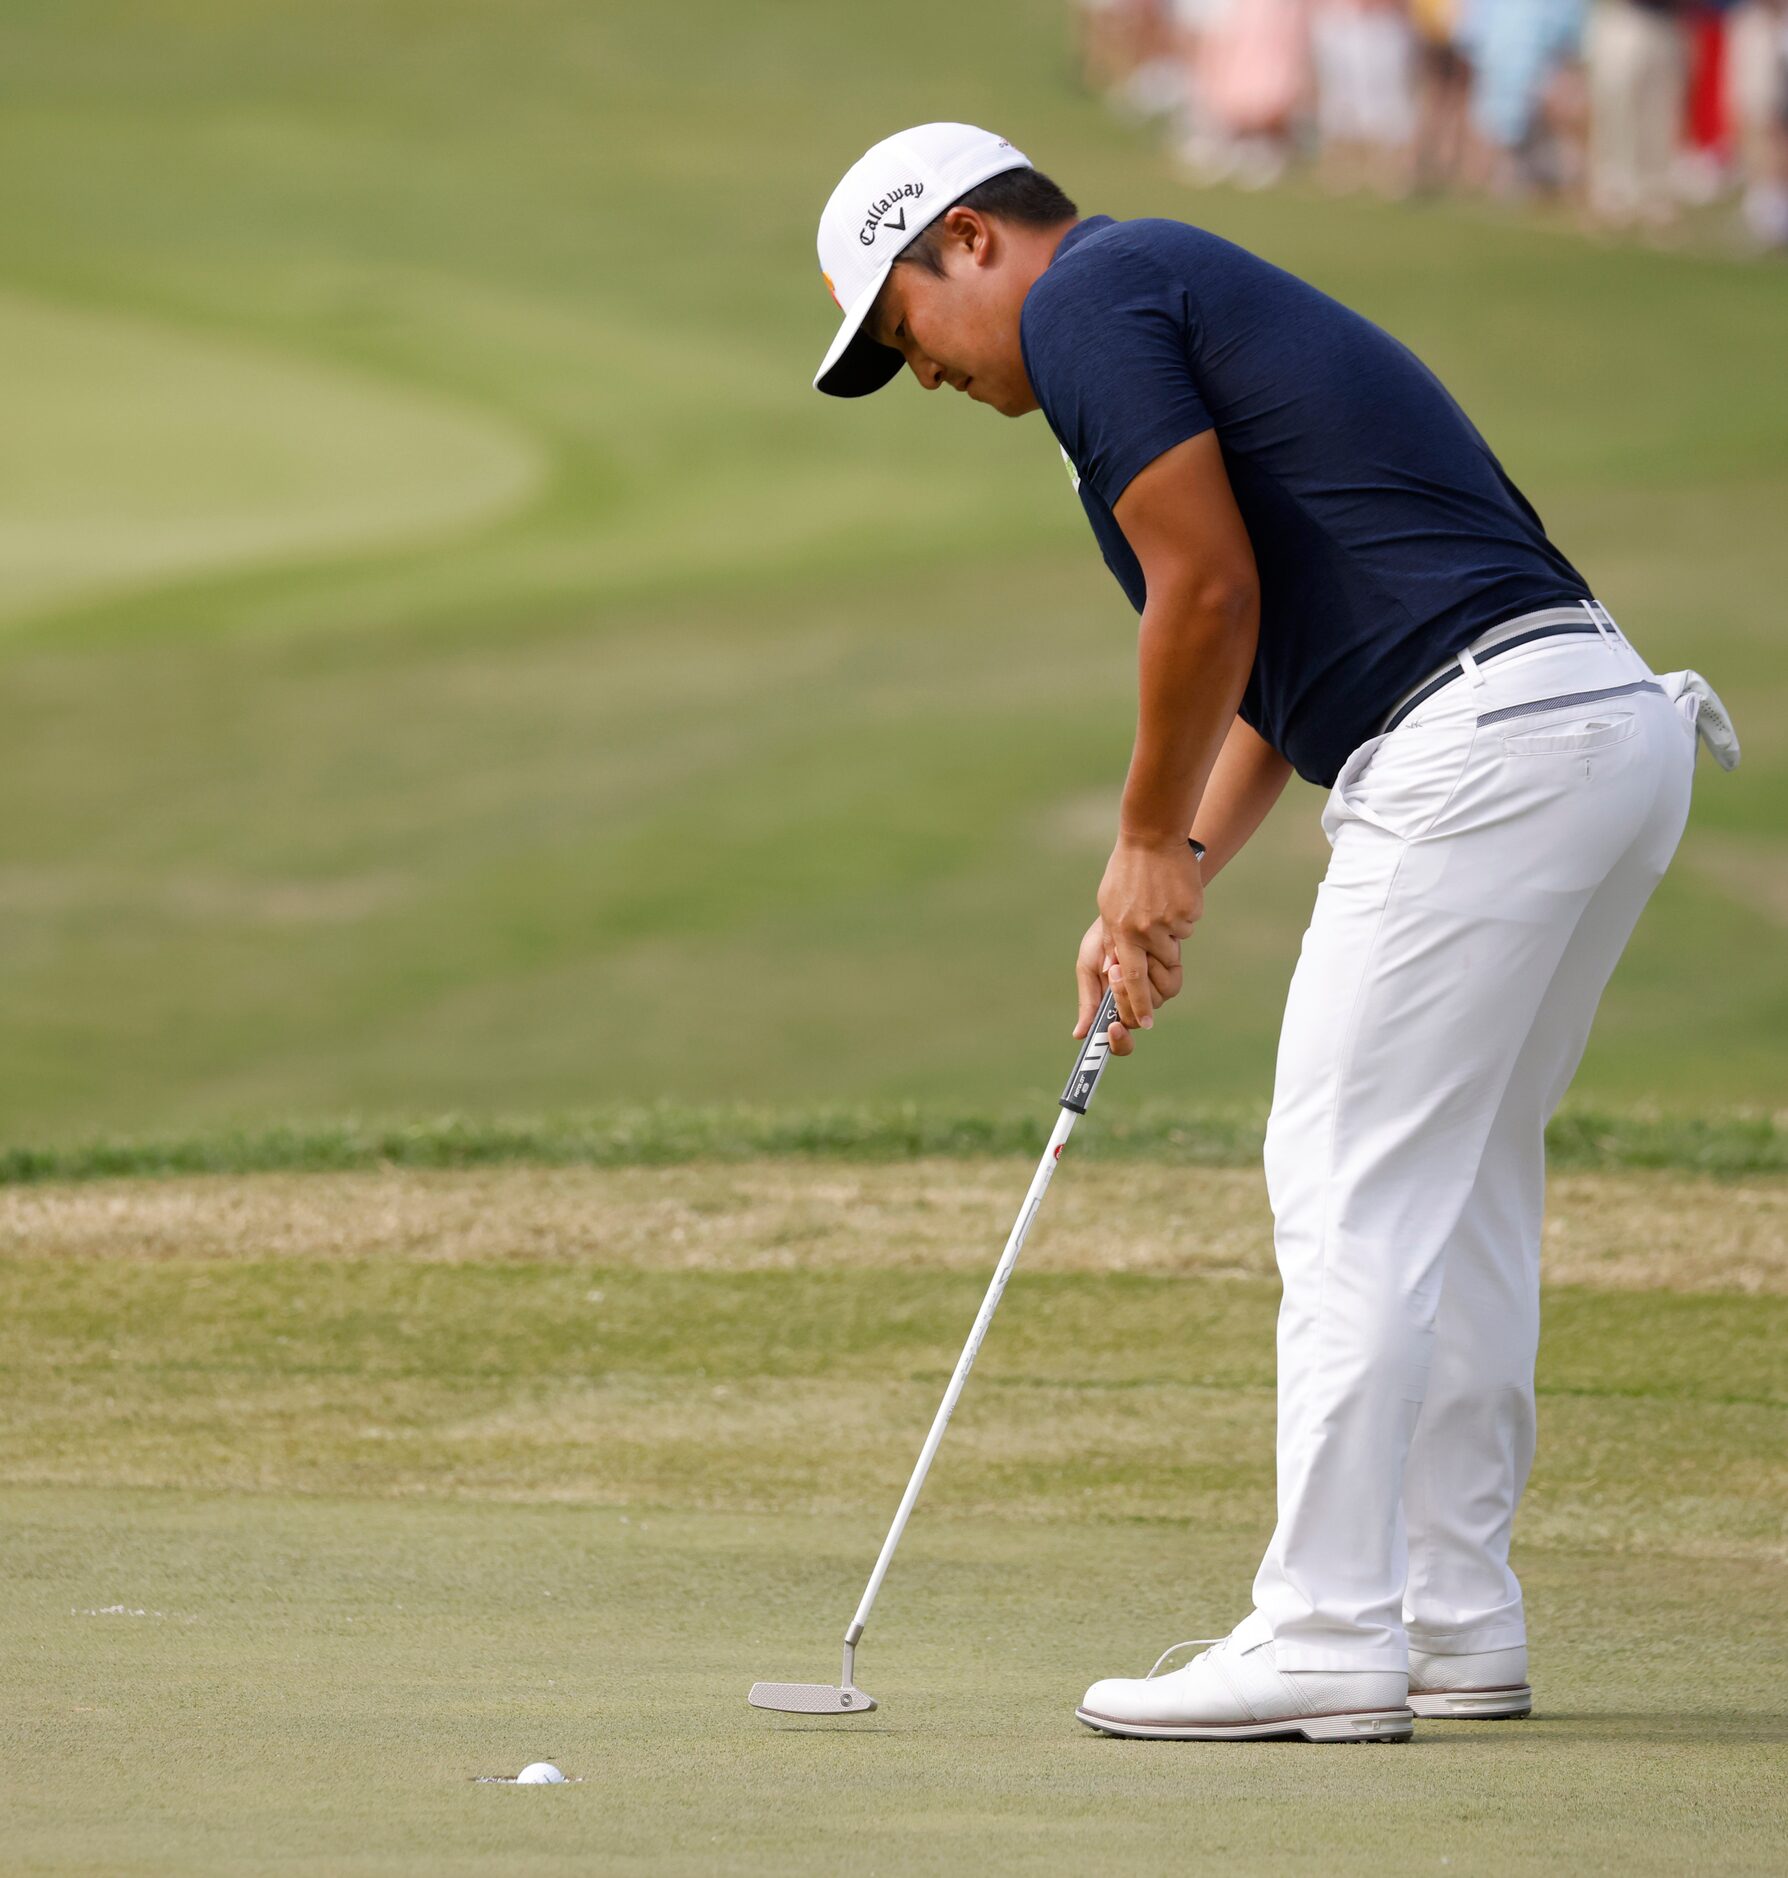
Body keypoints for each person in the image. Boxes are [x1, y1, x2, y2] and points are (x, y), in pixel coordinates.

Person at [809, 122, 1736, 1741]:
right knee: (1454, 1190)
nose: (928, 380)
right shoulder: (1157, 289)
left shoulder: (1093, 293)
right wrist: (1163, 873)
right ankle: (1452, 1616)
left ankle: (1322, 1625)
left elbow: (1206, 594)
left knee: (1346, 1178)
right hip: (1589, 722)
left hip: (1481, 747)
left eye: (904, 334)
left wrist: (1134, 845)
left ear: (965, 238)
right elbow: (1265, 676)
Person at [1587, 0, 1691, 225]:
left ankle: (1655, 197)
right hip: (1624, 15)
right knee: (1617, 108)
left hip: (1666, 20)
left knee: (1659, 118)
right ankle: (1615, 194)